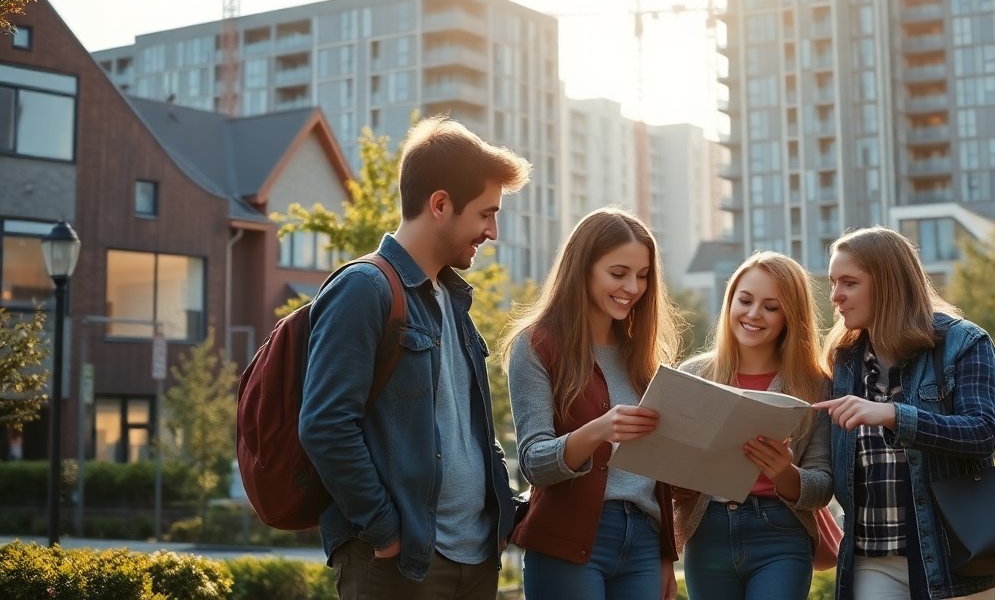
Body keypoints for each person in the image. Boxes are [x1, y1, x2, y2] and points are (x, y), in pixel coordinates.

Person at [297, 115, 532, 599]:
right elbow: (324, 424)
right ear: (441, 204)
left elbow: (471, 429)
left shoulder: (453, 299)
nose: (493, 232)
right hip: (400, 567)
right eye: (486, 214)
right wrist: (385, 533)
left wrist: (503, 511)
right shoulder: (364, 290)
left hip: (475, 559)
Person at [813, 226, 995, 600]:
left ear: (888, 283)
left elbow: (983, 433)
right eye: (834, 282)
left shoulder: (964, 342)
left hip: (953, 560)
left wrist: (892, 415)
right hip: (872, 558)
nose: (835, 296)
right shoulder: (844, 359)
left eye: (849, 283)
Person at [502, 207, 682, 600]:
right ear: (582, 268)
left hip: (643, 545)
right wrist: (600, 429)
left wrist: (665, 556)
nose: (633, 287)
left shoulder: (646, 358)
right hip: (568, 541)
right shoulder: (535, 346)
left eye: (643, 275)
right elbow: (534, 462)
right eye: (618, 273)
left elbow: (659, 476)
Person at [674, 251, 833, 600]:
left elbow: (823, 486)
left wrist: (785, 473)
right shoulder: (693, 376)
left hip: (780, 532)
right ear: (730, 301)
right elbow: (668, 479)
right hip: (707, 533)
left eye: (771, 307)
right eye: (744, 300)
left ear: (790, 316)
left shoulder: (815, 386)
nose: (753, 314)